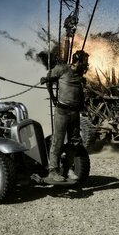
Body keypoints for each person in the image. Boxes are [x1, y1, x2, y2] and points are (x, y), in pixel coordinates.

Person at [41, 50, 89, 182]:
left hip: (75, 113)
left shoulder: (79, 74)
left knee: (75, 141)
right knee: (58, 140)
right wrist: (53, 97)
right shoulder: (62, 69)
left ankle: (67, 169)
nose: (86, 65)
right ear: (77, 61)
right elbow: (48, 79)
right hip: (62, 111)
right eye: (84, 62)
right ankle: (53, 171)